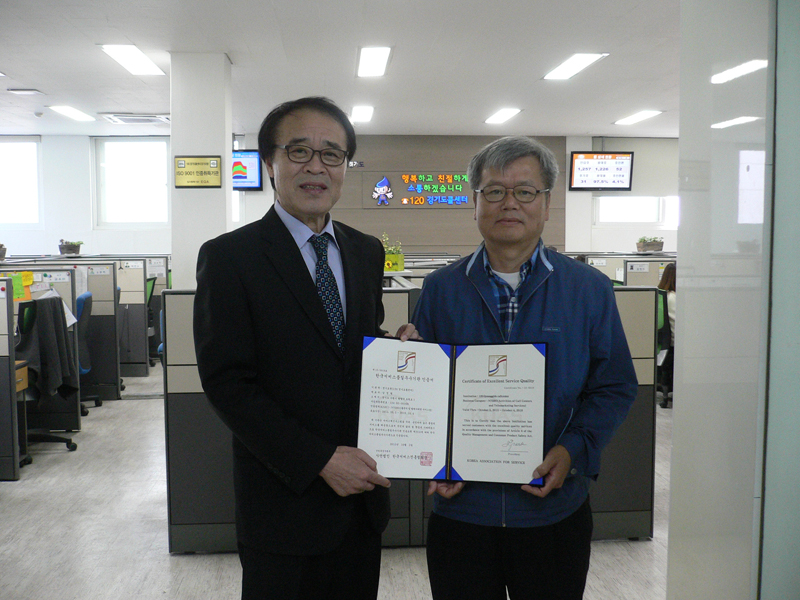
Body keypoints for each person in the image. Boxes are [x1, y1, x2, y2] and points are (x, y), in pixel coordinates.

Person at [193, 96, 416, 600]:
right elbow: (228, 383)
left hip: (361, 498)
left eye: (332, 154)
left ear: (344, 167)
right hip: (283, 500)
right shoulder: (230, 257)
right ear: (270, 163)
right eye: (298, 151)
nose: (316, 166)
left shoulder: (365, 250)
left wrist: (397, 352)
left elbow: (348, 345)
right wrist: (318, 459)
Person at [412, 135, 638, 600]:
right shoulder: (440, 290)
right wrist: (405, 365)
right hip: (463, 515)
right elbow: (426, 398)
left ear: (547, 204)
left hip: (553, 512)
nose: (508, 202)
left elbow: (614, 386)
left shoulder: (588, 290)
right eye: (494, 191)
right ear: (474, 203)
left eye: (525, 191)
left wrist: (573, 450)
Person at [657, 262, 676, 408]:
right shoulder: (675, 298)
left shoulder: (660, 295)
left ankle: (664, 396)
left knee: (665, 369)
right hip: (675, 342)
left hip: (663, 343)